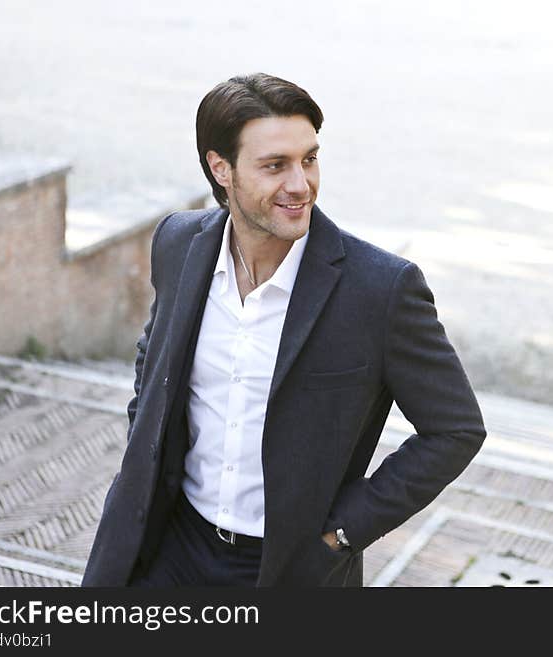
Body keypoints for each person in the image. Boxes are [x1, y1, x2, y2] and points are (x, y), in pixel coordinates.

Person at [81, 73, 486, 587]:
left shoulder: (380, 289)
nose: (300, 184)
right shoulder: (178, 243)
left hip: (288, 569)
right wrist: (146, 448)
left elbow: (455, 430)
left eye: (309, 159)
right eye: (275, 166)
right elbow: (154, 355)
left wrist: (342, 535)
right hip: (167, 548)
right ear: (220, 168)